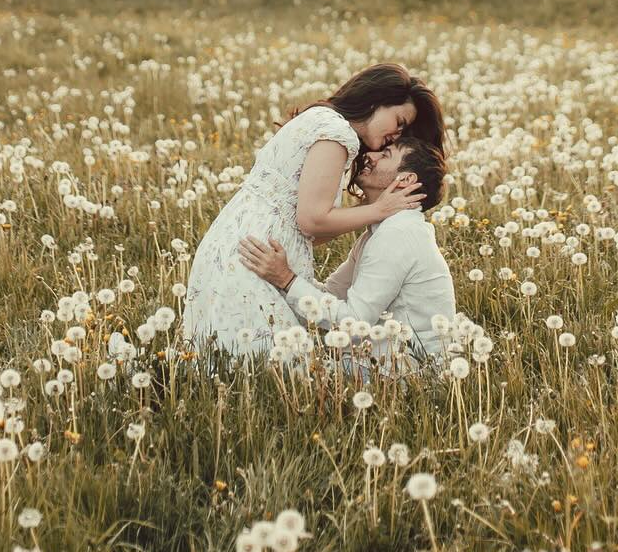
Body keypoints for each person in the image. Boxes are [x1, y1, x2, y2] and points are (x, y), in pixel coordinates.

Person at [181, 62, 446, 358]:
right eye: (398, 122)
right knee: (260, 371)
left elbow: (310, 233)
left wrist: (288, 278)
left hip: (242, 246)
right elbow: (312, 221)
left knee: (236, 367)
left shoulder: (324, 123)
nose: (397, 134)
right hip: (254, 255)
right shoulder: (336, 132)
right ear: (377, 101)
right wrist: (379, 209)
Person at [238, 135, 458, 370]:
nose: (370, 156)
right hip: (382, 366)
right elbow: (333, 294)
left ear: (405, 179)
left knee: (272, 373)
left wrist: (285, 279)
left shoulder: (398, 234)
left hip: (403, 376)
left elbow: (353, 322)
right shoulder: (381, 232)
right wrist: (281, 277)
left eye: (385, 155)